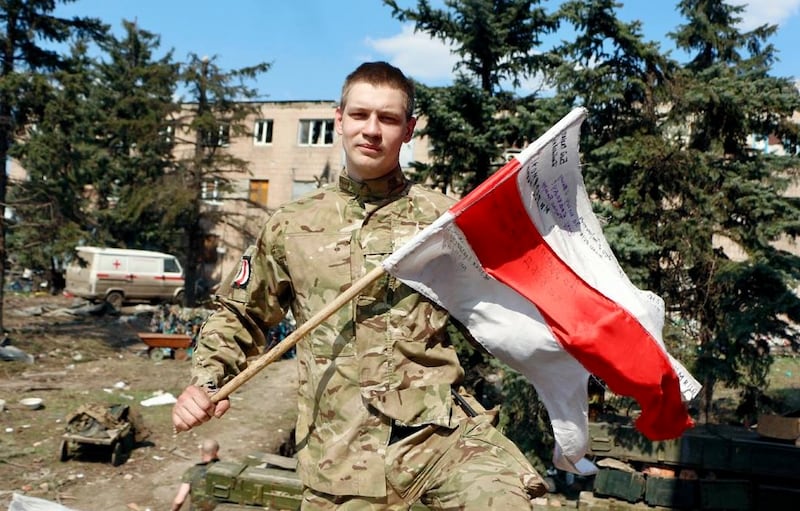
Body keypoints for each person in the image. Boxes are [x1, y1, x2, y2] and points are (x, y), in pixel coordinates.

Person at [172, 61, 547, 510]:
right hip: (339, 461)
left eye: (388, 119)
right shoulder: (292, 226)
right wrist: (206, 381)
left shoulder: (446, 221)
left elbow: (520, 292)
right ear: (338, 120)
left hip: (440, 441)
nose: (372, 130)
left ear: (408, 130)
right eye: (360, 115)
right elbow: (242, 314)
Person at [171, 438, 220, 511]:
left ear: (201, 452)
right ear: (217, 452)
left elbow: (179, 500)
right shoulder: (226, 471)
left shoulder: (192, 472)